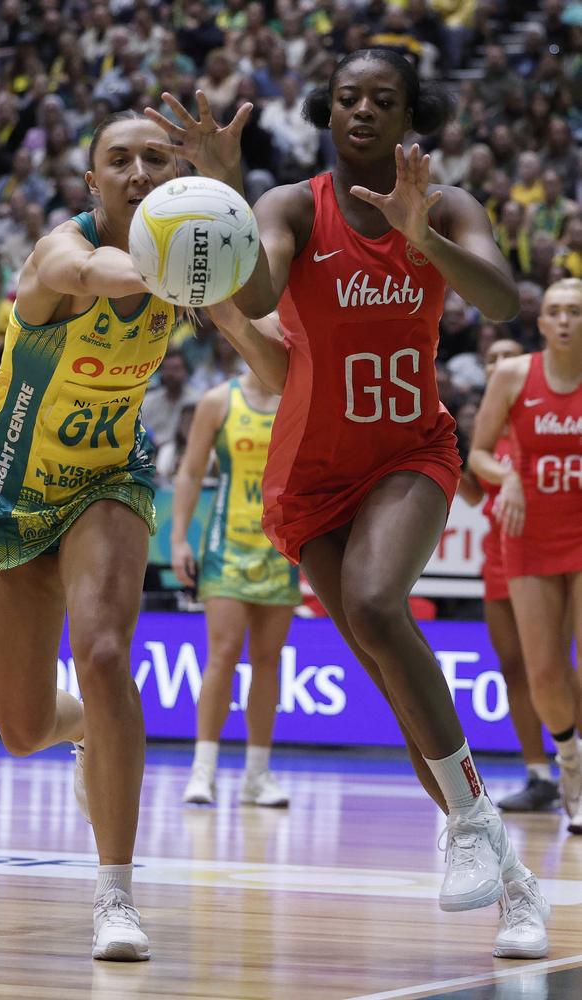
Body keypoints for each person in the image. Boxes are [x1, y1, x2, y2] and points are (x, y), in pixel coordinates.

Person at [147, 48, 549, 957]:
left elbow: (501, 298)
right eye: (345, 98)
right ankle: (514, 879)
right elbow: (254, 290)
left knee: (374, 601)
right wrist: (228, 189)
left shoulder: (447, 207)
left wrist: (423, 238)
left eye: (383, 99)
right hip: (316, 465)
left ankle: (472, 833)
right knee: (399, 689)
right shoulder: (291, 206)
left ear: (412, 115)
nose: (361, 110)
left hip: (410, 449)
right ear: (327, 112)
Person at [0, 105, 258, 962]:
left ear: (174, 178)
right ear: (92, 181)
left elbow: (262, 327)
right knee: (18, 728)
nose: (136, 171)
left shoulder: (185, 262)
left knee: (108, 652)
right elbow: (95, 272)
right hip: (7, 496)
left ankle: (115, 894)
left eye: (154, 158)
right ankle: (82, 725)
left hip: (107, 478)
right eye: (117, 159)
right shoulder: (64, 250)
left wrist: (222, 237)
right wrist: (181, 262)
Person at [469, 278, 582, 835]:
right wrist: (509, 475)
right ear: (541, 323)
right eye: (556, 311)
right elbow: (480, 454)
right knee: (542, 671)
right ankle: (568, 764)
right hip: (528, 532)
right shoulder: (515, 376)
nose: (564, 320)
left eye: (575, 312)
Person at [171, 365, 300, 808]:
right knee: (222, 654)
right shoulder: (218, 400)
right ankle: (202, 771)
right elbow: (189, 474)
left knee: (268, 660)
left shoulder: (298, 396)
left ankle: (257, 777)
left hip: (280, 548)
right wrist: (178, 538)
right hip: (226, 544)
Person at [460, 338, 559, 811]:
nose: (500, 365)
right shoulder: (483, 432)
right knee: (514, 668)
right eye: (492, 359)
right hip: (498, 559)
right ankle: (539, 774)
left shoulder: (539, 421)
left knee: (556, 667)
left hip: (545, 554)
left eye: (508, 357)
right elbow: (479, 500)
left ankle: (570, 758)